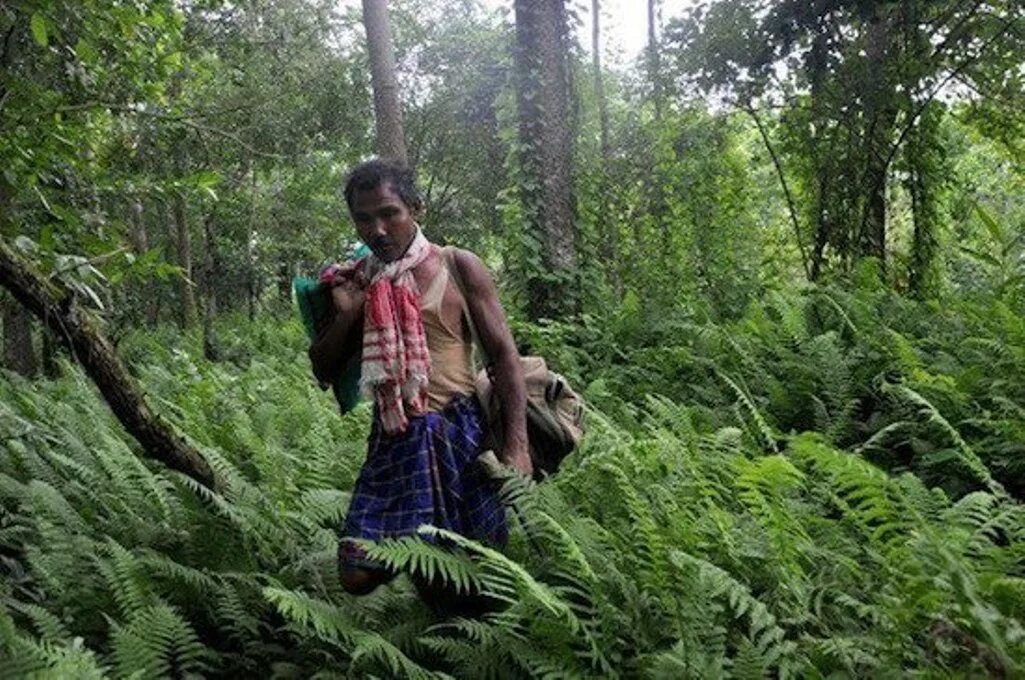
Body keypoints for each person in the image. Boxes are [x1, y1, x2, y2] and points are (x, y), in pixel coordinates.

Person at [309, 158, 531, 597]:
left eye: (390, 213)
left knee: (476, 569)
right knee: (358, 571)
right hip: (395, 438)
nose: (378, 229)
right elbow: (322, 367)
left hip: (459, 432)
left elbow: (505, 358)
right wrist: (353, 311)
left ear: (416, 208)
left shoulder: (459, 267)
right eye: (364, 219)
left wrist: (516, 447)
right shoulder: (358, 279)